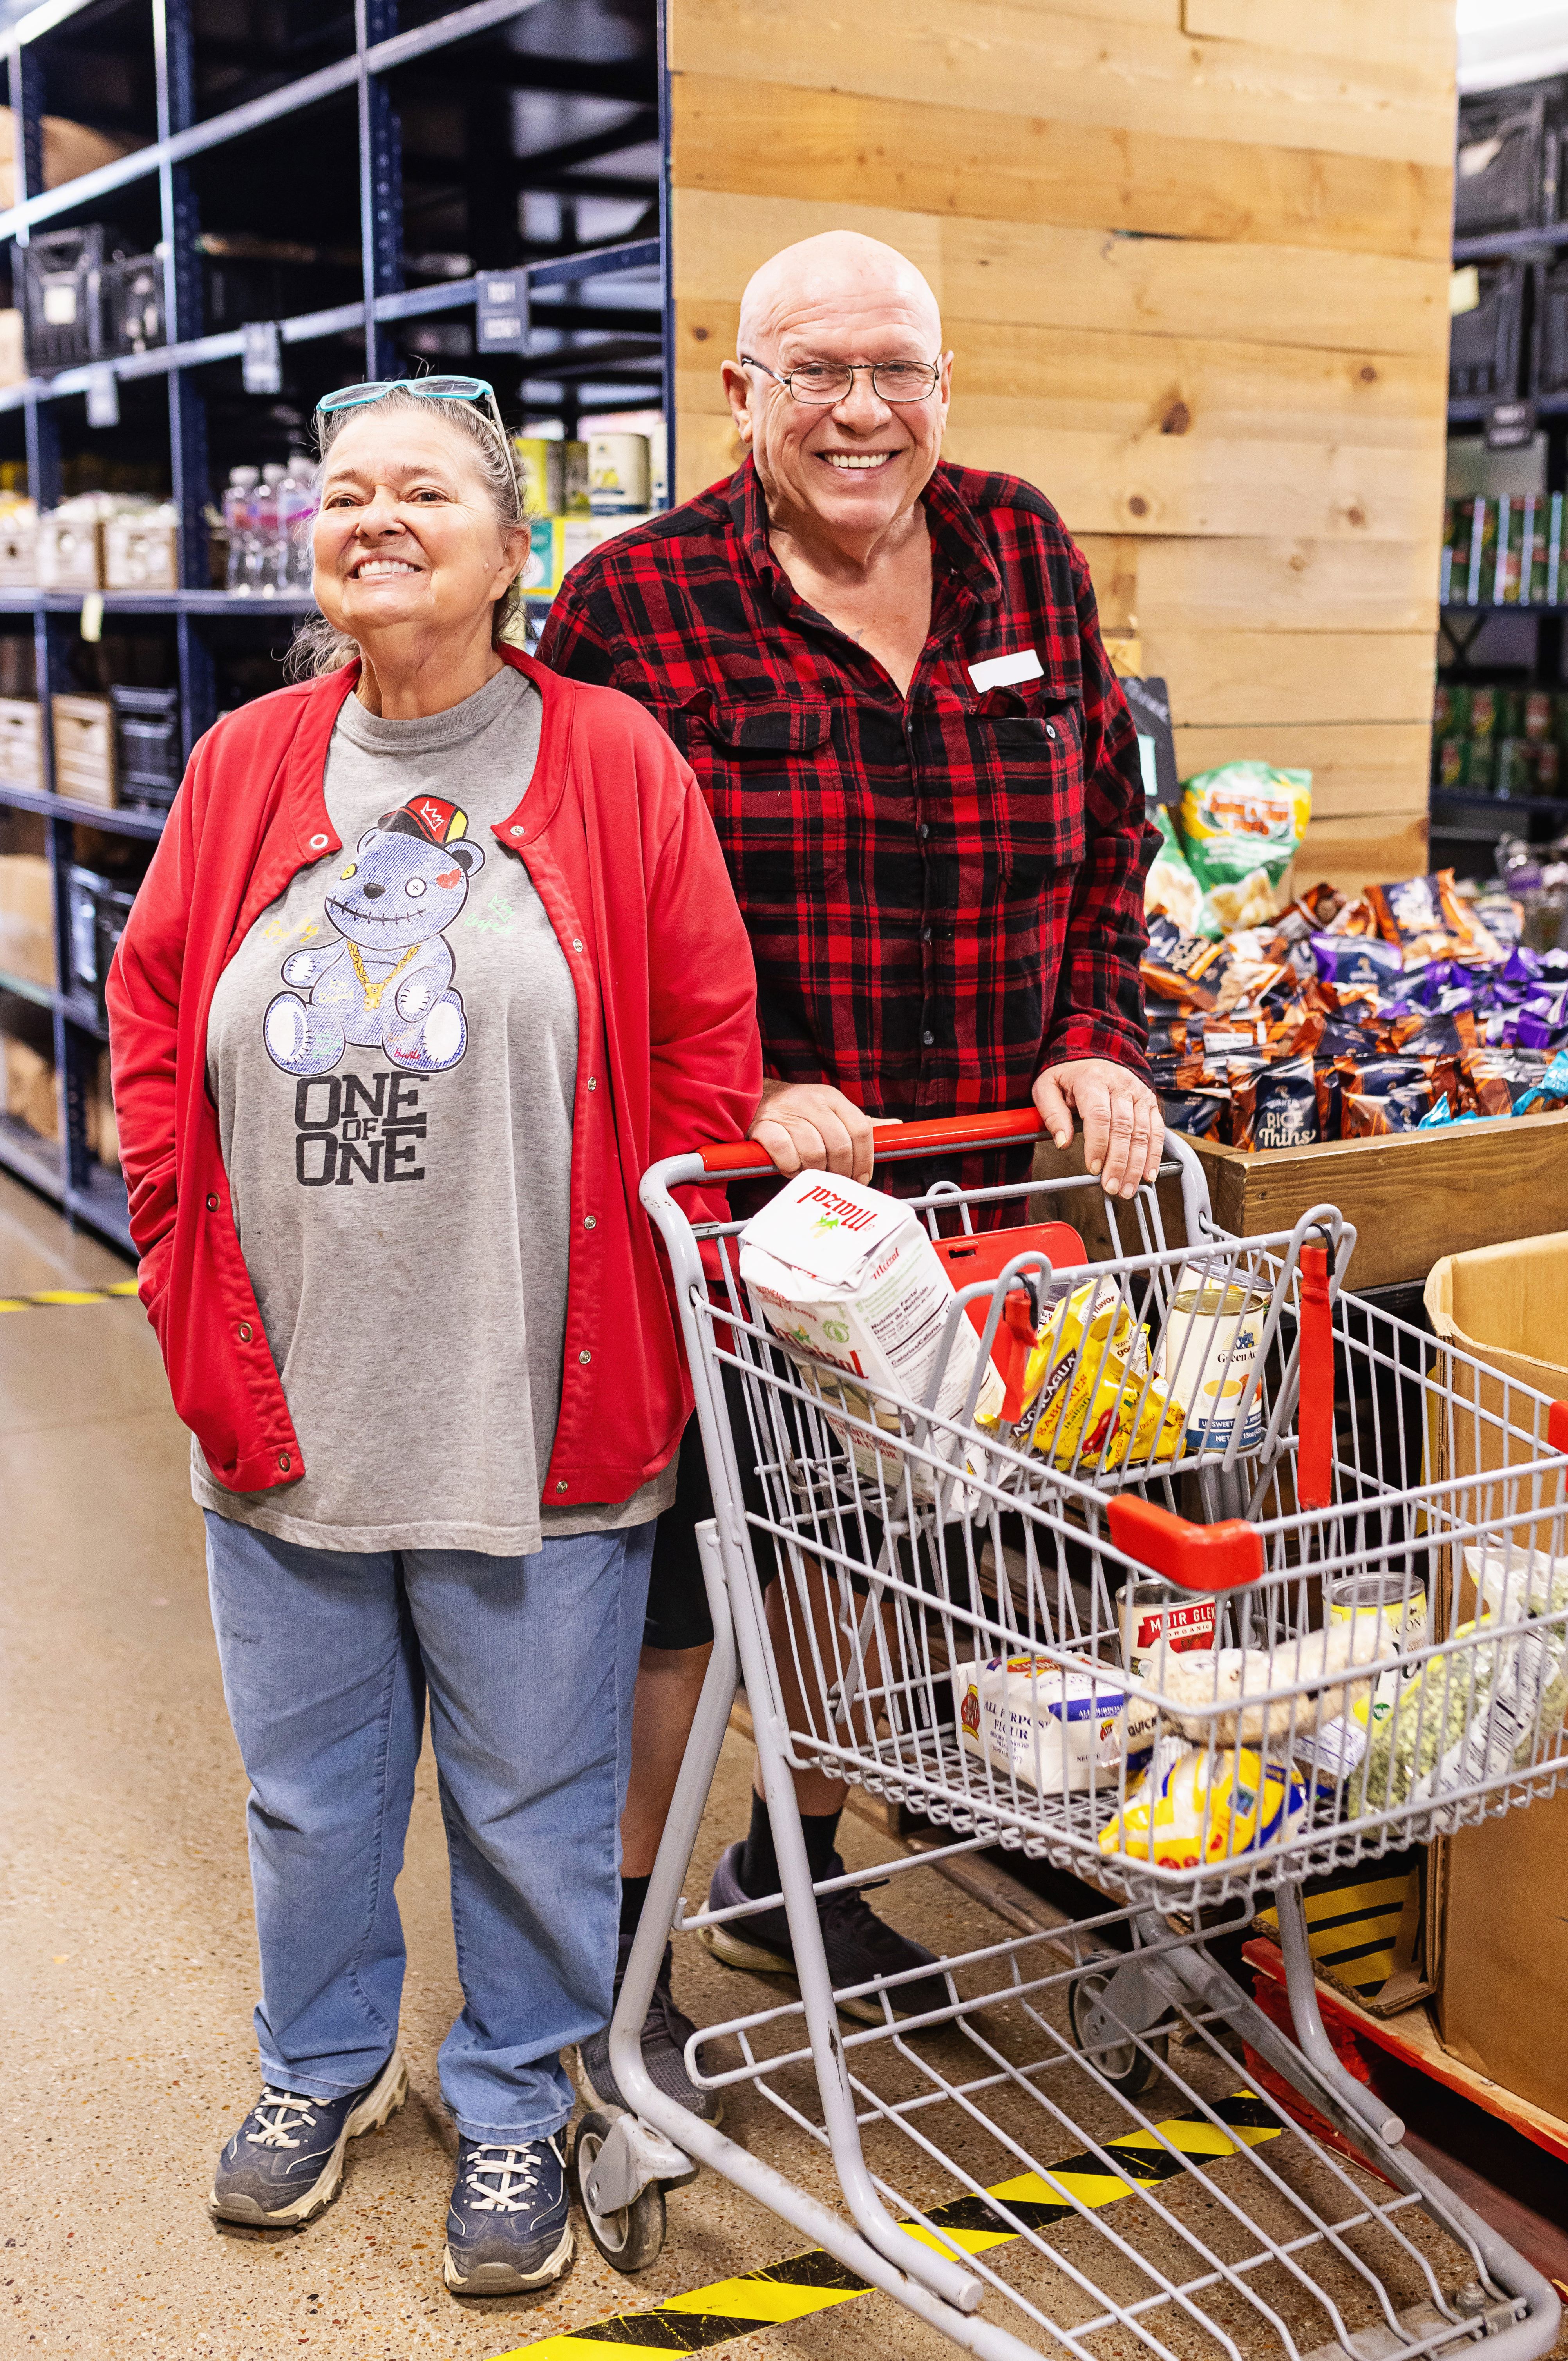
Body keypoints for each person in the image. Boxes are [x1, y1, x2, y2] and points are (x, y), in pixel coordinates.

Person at [107, 376, 760, 2296]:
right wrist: (172, 1254)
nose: (373, 518)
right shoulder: (246, 763)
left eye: (422, 493)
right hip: (288, 1394)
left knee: (534, 1793)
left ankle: (513, 2099)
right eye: (343, 492)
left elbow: (706, 1047)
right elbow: (155, 1018)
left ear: (507, 548)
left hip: (533, 1397)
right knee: (310, 1787)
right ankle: (317, 2068)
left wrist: (658, 1291)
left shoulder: (615, 758)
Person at [541, 232, 1162, 2111]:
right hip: (741, 1208)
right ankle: (622, 1945)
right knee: (676, 1588)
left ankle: (786, 1867)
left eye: (896, 368)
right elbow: (574, 919)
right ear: (740, 394)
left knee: (864, 1548)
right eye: (812, 371)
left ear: (945, 386)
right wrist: (753, 1086)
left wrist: (1095, 1032)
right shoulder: (634, 607)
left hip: (973, 1193)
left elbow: (1115, 833)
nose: (860, 410)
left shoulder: (1021, 544)